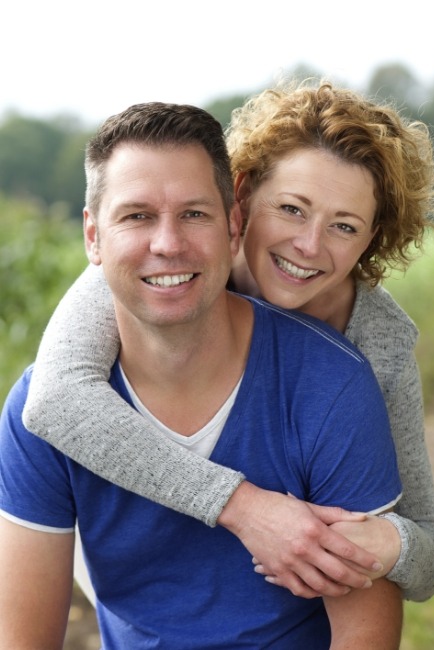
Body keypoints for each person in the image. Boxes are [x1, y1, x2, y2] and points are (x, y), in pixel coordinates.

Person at [0, 101, 403, 649]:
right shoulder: (46, 406)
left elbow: (371, 628)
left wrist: (399, 544)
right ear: (92, 237)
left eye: (193, 213)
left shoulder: (339, 379)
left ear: (232, 224)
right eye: (137, 215)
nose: (167, 244)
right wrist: (242, 507)